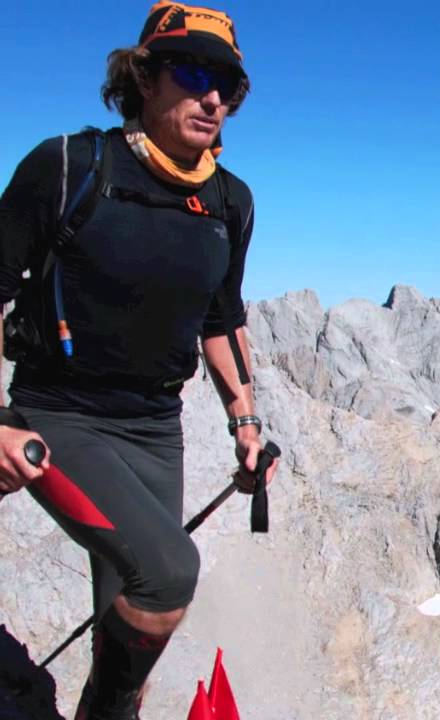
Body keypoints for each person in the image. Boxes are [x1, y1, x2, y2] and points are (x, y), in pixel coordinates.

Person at [0, 4, 277, 718]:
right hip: (61, 417)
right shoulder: (69, 165)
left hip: (156, 428)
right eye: (194, 73)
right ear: (144, 77)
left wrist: (244, 422)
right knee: (167, 576)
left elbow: (221, 319)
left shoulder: (228, 202)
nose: (214, 97)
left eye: (230, 86)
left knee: (129, 610)